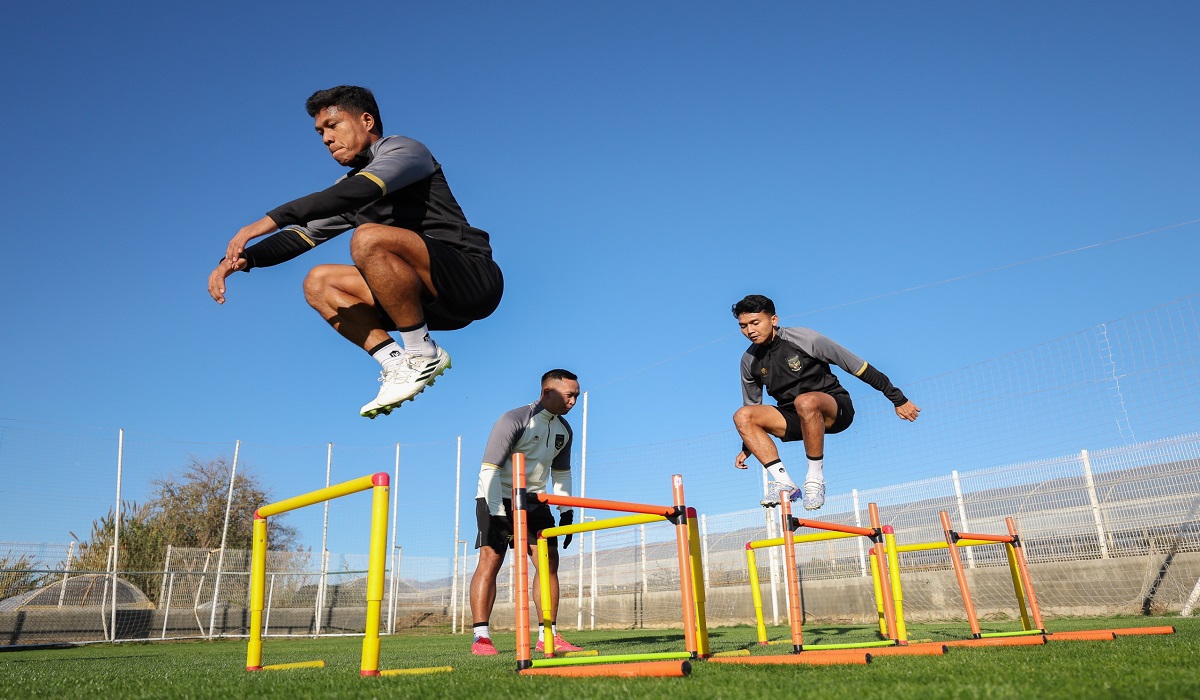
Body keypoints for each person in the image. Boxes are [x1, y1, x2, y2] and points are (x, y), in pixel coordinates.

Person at [208, 85, 503, 418]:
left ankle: (422, 354)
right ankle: (397, 364)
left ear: (366, 121)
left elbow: (357, 191)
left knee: (367, 238)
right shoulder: (348, 192)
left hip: (472, 280)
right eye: (320, 132)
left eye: (333, 126)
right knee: (318, 282)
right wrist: (237, 261)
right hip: (427, 304)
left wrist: (268, 220)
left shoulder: (405, 150)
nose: (325, 138)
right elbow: (301, 236)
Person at [731, 294, 920, 510]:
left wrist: (897, 398)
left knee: (806, 401)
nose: (750, 330)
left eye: (755, 323)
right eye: (743, 326)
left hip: (834, 410)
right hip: (794, 417)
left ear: (773, 320)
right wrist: (748, 446)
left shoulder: (806, 339)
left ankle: (815, 480)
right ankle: (784, 483)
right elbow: (753, 407)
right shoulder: (749, 360)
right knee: (742, 415)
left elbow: (858, 367)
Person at [468, 370, 584, 656]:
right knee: (491, 560)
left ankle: (549, 635)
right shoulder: (514, 419)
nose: (573, 402)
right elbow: (490, 470)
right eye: (569, 395)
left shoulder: (565, 430)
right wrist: (497, 512)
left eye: (576, 396)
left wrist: (566, 511)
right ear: (547, 393)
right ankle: (481, 637)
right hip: (497, 493)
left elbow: (562, 473)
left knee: (548, 563)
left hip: (534, 499)